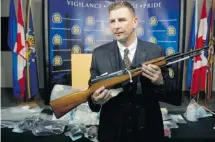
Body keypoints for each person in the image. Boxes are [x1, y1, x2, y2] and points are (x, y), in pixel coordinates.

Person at [87, 1, 177, 142]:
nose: (116, 26)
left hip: (148, 133)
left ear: (135, 22)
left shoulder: (156, 52)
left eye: (122, 20)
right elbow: (91, 97)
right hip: (112, 133)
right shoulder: (99, 54)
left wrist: (160, 81)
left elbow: (173, 95)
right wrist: (95, 99)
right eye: (112, 21)